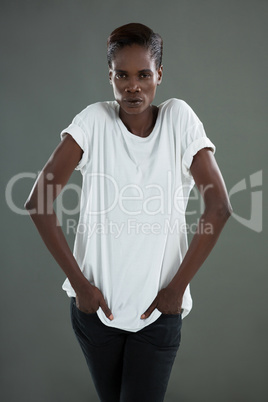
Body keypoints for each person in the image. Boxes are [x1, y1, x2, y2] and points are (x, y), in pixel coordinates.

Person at [25, 22, 232, 402]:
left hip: (157, 315)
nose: (132, 86)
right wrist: (81, 287)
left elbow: (218, 206)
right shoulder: (93, 121)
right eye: (122, 74)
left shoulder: (179, 120)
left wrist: (177, 289)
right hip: (96, 314)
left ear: (159, 76)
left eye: (143, 75)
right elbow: (38, 202)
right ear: (110, 76)